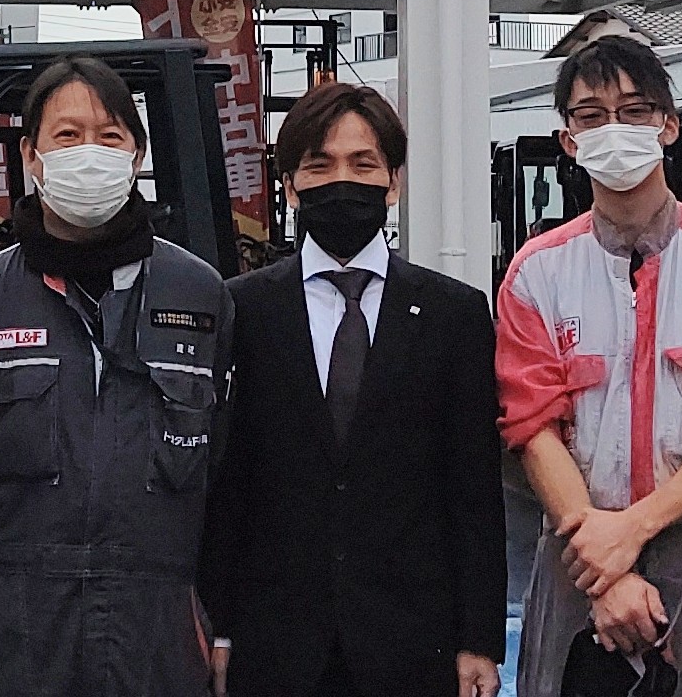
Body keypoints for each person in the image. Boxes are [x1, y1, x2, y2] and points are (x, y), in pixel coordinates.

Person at [495, 35, 682, 697]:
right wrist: (603, 566)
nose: (615, 129)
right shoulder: (535, 274)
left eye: (634, 111)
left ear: (668, 125)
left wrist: (631, 530)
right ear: (569, 140)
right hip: (578, 558)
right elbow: (532, 424)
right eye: (592, 116)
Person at [0, 55, 235, 697]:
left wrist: (224, 624)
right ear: (32, 155)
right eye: (67, 136)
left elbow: (231, 480)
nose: (89, 154)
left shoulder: (201, 296)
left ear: (137, 154)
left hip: (158, 632)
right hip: (14, 634)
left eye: (109, 136)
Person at [203, 82, 505, 697]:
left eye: (363, 165)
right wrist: (221, 626)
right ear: (290, 185)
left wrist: (478, 638)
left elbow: (473, 489)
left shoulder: (453, 313)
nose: (342, 181)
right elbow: (229, 483)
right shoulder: (243, 310)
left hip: (413, 641)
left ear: (393, 182)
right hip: (275, 640)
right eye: (320, 166)